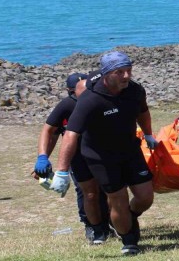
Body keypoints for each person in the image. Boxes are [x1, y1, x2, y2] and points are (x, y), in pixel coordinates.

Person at [50, 51, 159, 256]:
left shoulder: (135, 90)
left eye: (129, 71)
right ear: (107, 74)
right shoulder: (91, 100)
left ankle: (127, 217)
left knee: (145, 197)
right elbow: (71, 134)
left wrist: (149, 135)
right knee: (118, 198)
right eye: (120, 72)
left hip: (129, 150)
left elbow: (143, 112)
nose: (126, 76)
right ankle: (129, 241)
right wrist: (62, 171)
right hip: (101, 157)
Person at [33, 73, 111, 244]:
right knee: (87, 193)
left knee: (108, 190)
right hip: (78, 156)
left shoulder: (98, 101)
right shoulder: (67, 105)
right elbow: (50, 132)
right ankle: (93, 227)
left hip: (103, 154)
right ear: (71, 91)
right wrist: (42, 157)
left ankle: (109, 223)